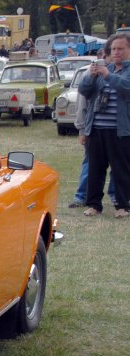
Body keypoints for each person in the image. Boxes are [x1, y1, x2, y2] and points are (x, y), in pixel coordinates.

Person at [78, 33, 130, 218]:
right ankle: (94, 205)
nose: (116, 52)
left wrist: (108, 76)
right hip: (97, 128)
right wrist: (90, 77)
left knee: (121, 169)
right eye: (113, 49)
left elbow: (126, 87)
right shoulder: (103, 69)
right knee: (95, 168)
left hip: (120, 130)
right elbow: (84, 91)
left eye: (121, 48)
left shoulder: (121, 72)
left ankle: (123, 206)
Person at [69, 91, 116, 208]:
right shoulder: (89, 80)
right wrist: (82, 130)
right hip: (94, 130)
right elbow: (82, 106)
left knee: (118, 165)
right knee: (90, 164)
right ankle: (82, 196)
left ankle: (117, 196)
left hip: (117, 130)